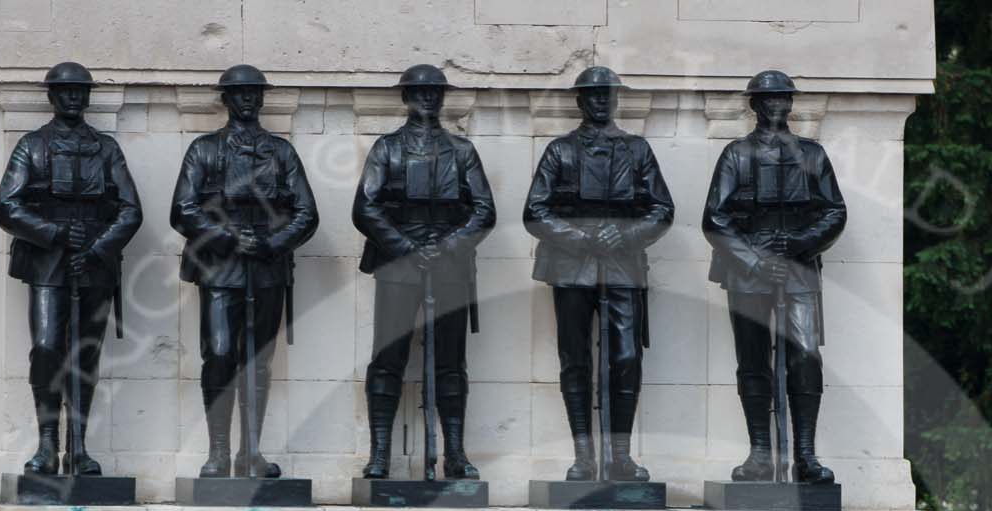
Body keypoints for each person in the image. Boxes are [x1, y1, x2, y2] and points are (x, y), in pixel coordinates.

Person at [524, 66, 674, 482]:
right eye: (592, 94)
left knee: (625, 358)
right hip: (571, 266)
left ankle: (620, 455)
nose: (601, 100)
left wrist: (625, 235)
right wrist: (578, 237)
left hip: (623, 266)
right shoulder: (560, 151)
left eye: (607, 94)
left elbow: (662, 209)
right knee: (575, 360)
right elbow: (535, 210)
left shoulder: (637, 150)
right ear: (580, 100)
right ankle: (584, 456)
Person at [170, 64, 320, 478]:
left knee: (257, 361)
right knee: (219, 354)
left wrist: (272, 243)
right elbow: (182, 209)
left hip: (268, 268)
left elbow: (306, 213)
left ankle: (250, 451)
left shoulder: (281, 152)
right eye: (240, 94)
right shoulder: (204, 149)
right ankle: (218, 451)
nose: (249, 100)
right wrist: (230, 238)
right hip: (219, 268)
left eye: (255, 93)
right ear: (227, 100)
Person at [0, 62, 143, 477]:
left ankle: (78, 446)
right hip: (46, 263)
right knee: (46, 348)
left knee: (85, 352)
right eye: (66, 91)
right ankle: (46, 444)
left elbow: (130, 211)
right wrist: (56, 234)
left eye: (81, 91)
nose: (74, 98)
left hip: (93, 265)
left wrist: (97, 249)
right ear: (52, 97)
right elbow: (8, 207)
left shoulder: (106, 148)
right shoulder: (33, 146)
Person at [702, 70, 846, 485]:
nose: (778, 105)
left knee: (805, 357)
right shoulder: (736, 154)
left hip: (799, 270)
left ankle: (804, 455)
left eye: (785, 98)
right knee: (753, 361)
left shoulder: (812, 155)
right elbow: (715, 218)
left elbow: (834, 211)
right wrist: (756, 260)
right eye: (769, 99)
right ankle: (761, 453)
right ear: (755, 105)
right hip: (748, 273)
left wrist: (800, 244)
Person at [353, 64, 495, 480]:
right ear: (406, 97)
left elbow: (483, 210)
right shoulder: (387, 149)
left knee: (451, 362)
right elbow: (366, 208)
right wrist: (407, 249)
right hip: (398, 266)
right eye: (419, 91)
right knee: (387, 357)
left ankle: (454, 451)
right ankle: (379, 453)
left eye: (435, 91)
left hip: (449, 267)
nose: (428, 98)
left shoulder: (462, 151)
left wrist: (447, 246)